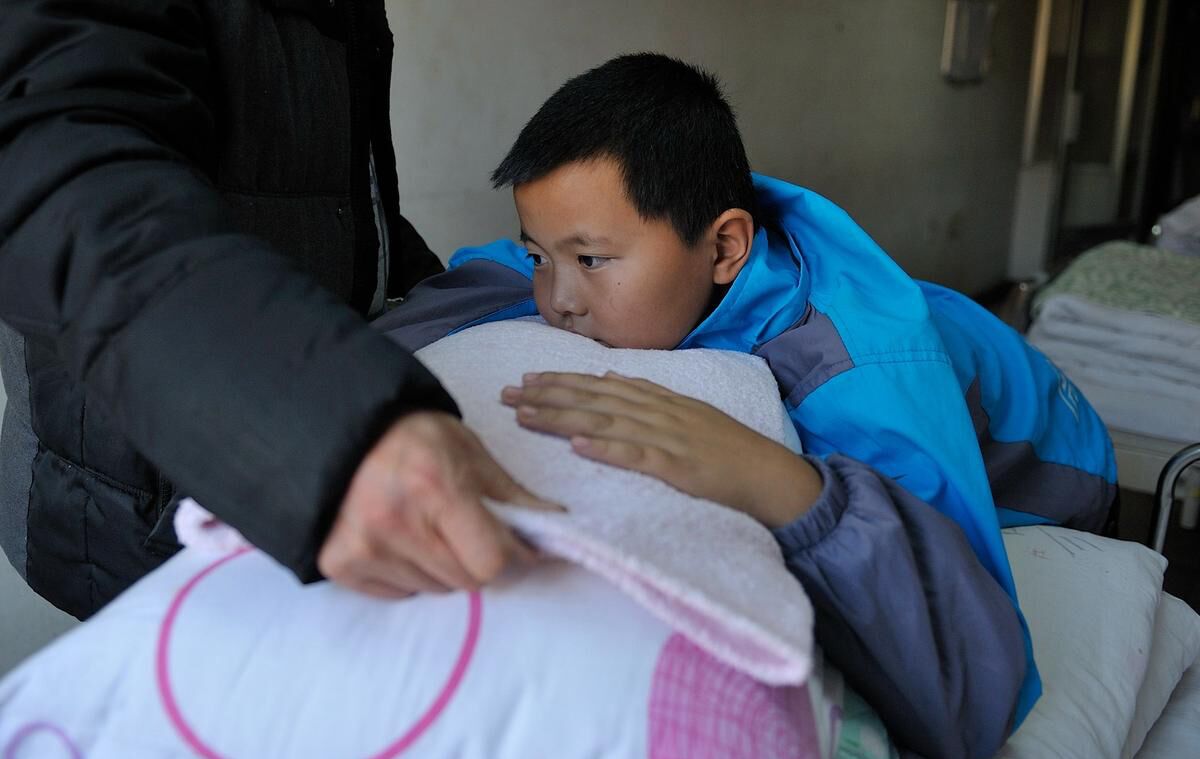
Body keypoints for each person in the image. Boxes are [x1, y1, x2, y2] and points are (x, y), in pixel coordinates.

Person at [374, 53, 1118, 759]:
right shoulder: (638, 237)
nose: (558, 300)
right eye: (542, 256)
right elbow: (488, 275)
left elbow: (970, 692)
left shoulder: (853, 375)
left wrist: (783, 484)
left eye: (590, 260)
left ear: (727, 248)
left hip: (1058, 465)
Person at [0, 0, 553, 622]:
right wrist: (323, 432)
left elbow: (339, 207)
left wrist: (445, 304)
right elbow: (63, 177)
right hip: (147, 494)